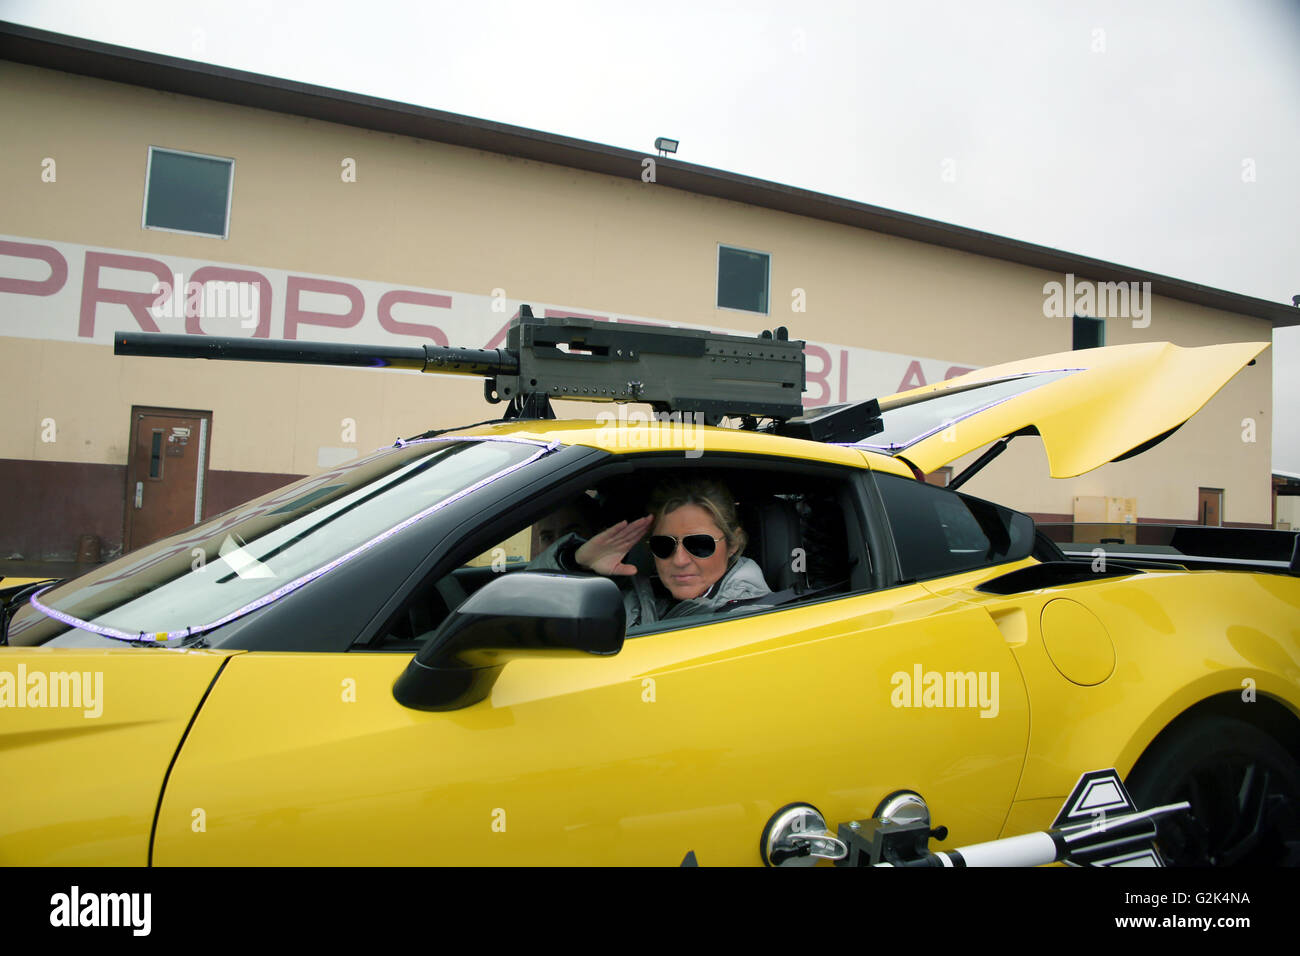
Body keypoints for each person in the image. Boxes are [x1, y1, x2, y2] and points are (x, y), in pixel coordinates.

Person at [530, 478, 771, 627]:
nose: (679, 560)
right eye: (664, 545)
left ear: (733, 545)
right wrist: (573, 560)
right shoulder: (641, 596)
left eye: (699, 544)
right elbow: (527, 605)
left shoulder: (749, 621)